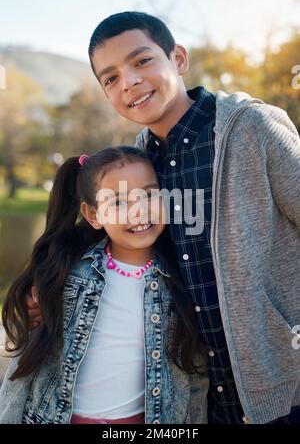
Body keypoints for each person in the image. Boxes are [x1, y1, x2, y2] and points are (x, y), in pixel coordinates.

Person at [27, 11, 300, 424]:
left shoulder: (251, 128)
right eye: (111, 78)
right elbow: (118, 237)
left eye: (141, 61)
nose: (129, 82)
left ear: (178, 58)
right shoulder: (140, 160)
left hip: (282, 388)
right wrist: (49, 285)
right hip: (197, 397)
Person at [0, 146, 208, 424]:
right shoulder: (66, 275)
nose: (139, 211)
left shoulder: (181, 282)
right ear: (93, 215)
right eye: (119, 202)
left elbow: (192, 377)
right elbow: (25, 363)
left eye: (149, 194)